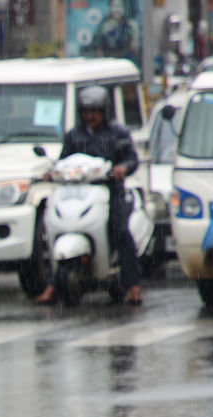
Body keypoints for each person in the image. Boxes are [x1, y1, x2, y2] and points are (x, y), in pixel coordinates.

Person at [36, 85, 144, 305]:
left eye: (94, 111)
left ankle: (133, 285)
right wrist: (51, 172)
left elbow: (132, 159)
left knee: (121, 231)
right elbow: (63, 161)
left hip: (109, 193)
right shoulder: (73, 135)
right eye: (86, 111)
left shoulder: (118, 133)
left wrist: (122, 168)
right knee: (53, 230)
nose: (90, 116)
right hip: (76, 193)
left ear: (104, 112)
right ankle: (53, 285)